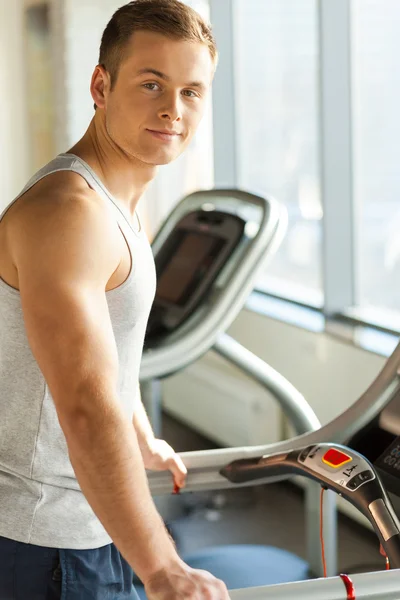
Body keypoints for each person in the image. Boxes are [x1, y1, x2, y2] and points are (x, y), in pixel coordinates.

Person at [0, 1, 230, 598]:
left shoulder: (114, 200)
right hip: (42, 537)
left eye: (190, 91)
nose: (171, 110)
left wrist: (141, 434)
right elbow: (83, 403)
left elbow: (108, 357)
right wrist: (164, 569)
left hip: (81, 525)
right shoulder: (70, 213)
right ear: (101, 84)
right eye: (151, 83)